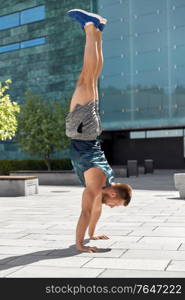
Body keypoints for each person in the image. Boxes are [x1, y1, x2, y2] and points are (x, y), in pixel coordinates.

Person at [65, 9, 132, 253]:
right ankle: (90, 27)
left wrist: (93, 234)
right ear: (113, 193)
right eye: (117, 204)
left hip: (90, 132)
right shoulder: (97, 184)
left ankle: (98, 31)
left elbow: (95, 211)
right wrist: (81, 244)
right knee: (85, 78)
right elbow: (86, 211)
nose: (112, 207)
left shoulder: (105, 183)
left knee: (91, 79)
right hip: (82, 132)